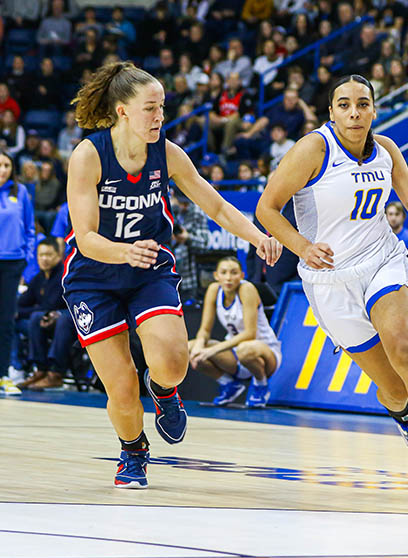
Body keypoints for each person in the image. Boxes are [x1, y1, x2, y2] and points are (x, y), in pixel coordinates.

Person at [255, 74, 408, 503]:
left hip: (382, 262)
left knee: (406, 349)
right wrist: (301, 246)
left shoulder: (388, 150)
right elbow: (267, 207)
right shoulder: (313, 149)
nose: (354, 112)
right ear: (332, 111)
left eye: (362, 104)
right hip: (329, 279)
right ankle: (403, 414)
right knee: (392, 386)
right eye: (344, 104)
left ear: (374, 109)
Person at [64, 62, 280, 489]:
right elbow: (86, 237)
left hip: (149, 271)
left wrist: (257, 236)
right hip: (94, 277)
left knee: (173, 364)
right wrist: (124, 250)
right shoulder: (89, 155)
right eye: (150, 108)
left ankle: (163, 391)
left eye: (162, 107)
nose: (160, 116)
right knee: (121, 385)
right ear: (123, 111)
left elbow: (215, 206)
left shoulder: (168, 153)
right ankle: (133, 451)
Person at [189, 255, 282, 407]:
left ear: (242, 275)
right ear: (216, 276)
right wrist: (199, 347)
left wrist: (212, 351)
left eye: (233, 273)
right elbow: (205, 330)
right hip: (236, 354)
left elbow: (249, 334)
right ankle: (229, 384)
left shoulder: (247, 289)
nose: (228, 278)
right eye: (224, 273)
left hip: (265, 354)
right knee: (191, 349)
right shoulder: (214, 290)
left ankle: (261, 384)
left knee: (245, 349)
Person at [17, 237, 74, 390]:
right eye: (41, 255)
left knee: (61, 319)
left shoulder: (64, 276)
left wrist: (52, 312)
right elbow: (21, 305)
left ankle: (56, 373)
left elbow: (51, 304)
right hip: (47, 321)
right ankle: (40, 370)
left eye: (48, 255)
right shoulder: (38, 278)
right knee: (34, 317)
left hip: (71, 320)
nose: (44, 259)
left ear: (58, 256)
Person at [0, 151, 34, 394]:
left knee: (5, 321)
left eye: (6, 165)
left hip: (12, 264)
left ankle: (3, 374)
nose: (2, 170)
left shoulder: (20, 193)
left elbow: (30, 228)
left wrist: (27, 260)